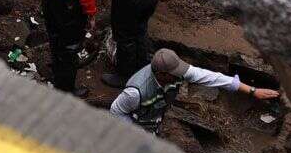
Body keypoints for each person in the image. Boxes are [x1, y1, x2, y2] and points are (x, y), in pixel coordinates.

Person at [110, 49, 280, 134]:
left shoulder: (175, 73)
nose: (182, 75)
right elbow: (116, 111)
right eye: (177, 73)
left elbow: (211, 77)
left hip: (153, 121)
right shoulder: (135, 92)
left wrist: (251, 90)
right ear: (161, 74)